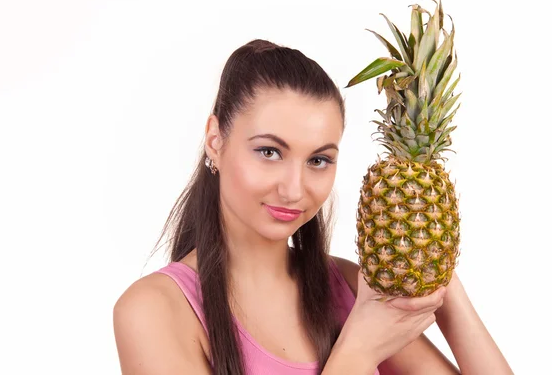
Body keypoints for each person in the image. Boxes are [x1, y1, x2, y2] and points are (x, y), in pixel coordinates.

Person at [113, 39, 513, 375]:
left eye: (318, 160)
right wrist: (357, 352)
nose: (293, 189)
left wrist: (441, 278)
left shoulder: (351, 288)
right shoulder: (153, 311)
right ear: (215, 140)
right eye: (269, 152)